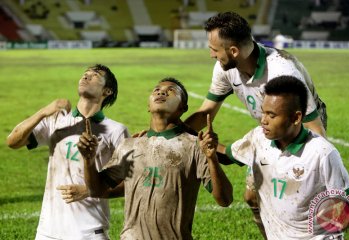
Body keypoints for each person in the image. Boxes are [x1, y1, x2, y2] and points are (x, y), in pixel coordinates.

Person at [183, 11, 327, 238]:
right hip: (268, 131)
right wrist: (173, 131)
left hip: (299, 130)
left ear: (233, 51)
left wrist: (314, 163)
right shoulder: (225, 69)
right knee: (252, 198)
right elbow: (206, 112)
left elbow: (315, 129)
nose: (211, 54)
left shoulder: (282, 72)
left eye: (214, 49)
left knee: (293, 197)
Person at [77, 77, 233, 239]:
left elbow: (225, 199)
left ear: (182, 107)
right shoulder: (129, 145)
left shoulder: (195, 146)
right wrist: (89, 159)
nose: (161, 91)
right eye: (156, 90)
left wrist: (212, 158)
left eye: (171, 90)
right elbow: (97, 190)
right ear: (148, 106)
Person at [216, 76, 349, 239]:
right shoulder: (258, 138)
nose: (263, 120)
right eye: (263, 112)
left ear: (296, 118)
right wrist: (197, 139)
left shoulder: (322, 152)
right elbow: (227, 156)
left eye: (271, 115)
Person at [6, 64, 130, 239]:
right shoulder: (57, 119)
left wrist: (90, 190)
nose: (86, 77)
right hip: (48, 231)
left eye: (95, 75)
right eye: (85, 74)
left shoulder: (115, 130)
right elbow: (13, 141)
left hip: (89, 231)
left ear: (107, 91)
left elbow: (131, 182)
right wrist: (43, 112)